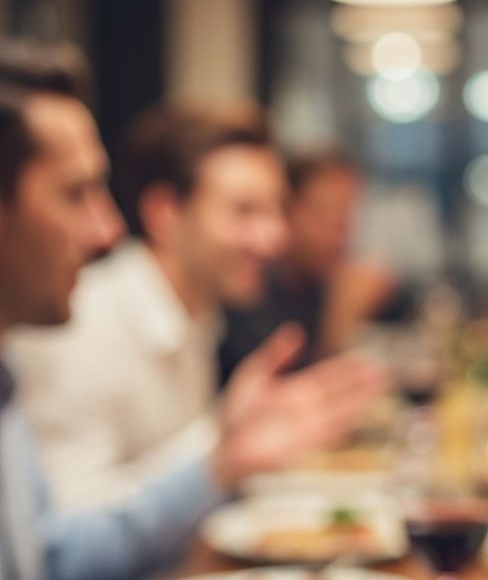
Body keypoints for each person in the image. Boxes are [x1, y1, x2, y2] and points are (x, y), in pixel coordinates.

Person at [0, 39, 488, 580]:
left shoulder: (60, 358)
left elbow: (44, 561)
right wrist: (220, 461)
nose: (104, 231)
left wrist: (225, 460)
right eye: (76, 193)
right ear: (169, 213)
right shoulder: (73, 332)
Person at [6, 102, 289, 509]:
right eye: (244, 211)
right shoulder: (78, 322)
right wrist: (222, 443)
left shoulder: (199, 312)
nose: (274, 236)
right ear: (165, 213)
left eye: (277, 208)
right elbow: (68, 527)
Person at [219, 149, 396, 381]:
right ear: (286, 212)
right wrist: (340, 320)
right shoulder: (248, 286)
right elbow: (281, 391)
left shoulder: (319, 282)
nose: (339, 234)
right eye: (324, 215)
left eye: (346, 216)